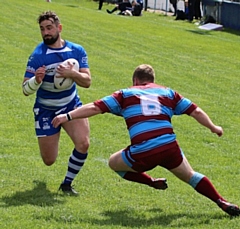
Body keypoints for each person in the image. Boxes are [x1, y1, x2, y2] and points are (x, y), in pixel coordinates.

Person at [52, 64, 240, 216]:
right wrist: (214, 128)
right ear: (152, 81)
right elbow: (196, 111)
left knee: (113, 163)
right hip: (169, 148)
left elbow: (94, 107)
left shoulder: (125, 94)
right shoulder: (168, 93)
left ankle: (151, 182)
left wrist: (66, 117)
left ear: (135, 80)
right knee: (190, 176)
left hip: (143, 151)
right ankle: (221, 201)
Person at [22, 11, 91, 195]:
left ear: (59, 28)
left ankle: (67, 184)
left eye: (49, 28)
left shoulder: (76, 51)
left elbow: (87, 81)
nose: (46, 32)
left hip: (70, 104)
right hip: (46, 109)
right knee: (49, 160)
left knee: (83, 143)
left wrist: (73, 74)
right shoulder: (38, 56)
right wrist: (36, 81)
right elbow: (25, 90)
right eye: (42, 29)